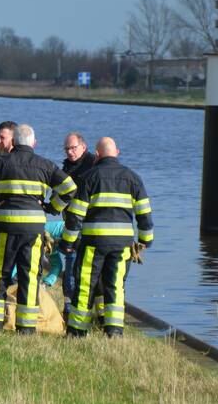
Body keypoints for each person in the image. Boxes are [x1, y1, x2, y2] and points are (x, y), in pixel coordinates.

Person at [0, 123, 76, 333]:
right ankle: (26, 328)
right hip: (33, 229)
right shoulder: (45, 165)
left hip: (4, 226)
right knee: (30, 274)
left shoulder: (0, 162)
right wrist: (52, 208)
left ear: (14, 142)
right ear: (34, 143)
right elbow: (69, 188)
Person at [59, 137, 153, 337]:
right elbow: (144, 214)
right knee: (116, 286)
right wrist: (145, 241)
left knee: (85, 285)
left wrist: (67, 242)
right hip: (123, 245)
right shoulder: (133, 178)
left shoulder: (89, 177)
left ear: (97, 154)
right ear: (117, 152)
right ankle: (114, 331)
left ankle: (77, 331)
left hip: (94, 242)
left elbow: (75, 215)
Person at [58, 131, 96, 313]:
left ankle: (76, 310)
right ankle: (70, 308)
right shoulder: (66, 167)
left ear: (83, 147)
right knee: (71, 269)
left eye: (73, 148)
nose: (69, 152)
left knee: (78, 270)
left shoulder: (93, 166)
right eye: (66, 149)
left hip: (88, 226)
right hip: (71, 225)